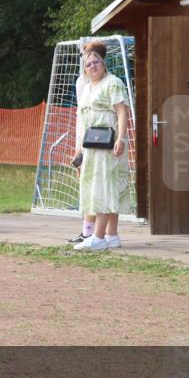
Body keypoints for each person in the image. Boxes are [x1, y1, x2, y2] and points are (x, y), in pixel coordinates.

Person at [71, 41, 130, 251]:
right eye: (88, 64)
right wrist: (79, 150)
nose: (93, 66)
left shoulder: (112, 83)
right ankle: (112, 235)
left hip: (109, 142)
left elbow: (122, 111)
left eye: (96, 62)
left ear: (103, 64)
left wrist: (121, 139)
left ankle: (98, 237)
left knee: (105, 188)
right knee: (101, 187)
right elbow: (82, 121)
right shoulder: (87, 88)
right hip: (91, 145)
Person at [69, 69, 97, 244]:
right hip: (85, 142)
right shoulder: (82, 83)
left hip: (96, 143)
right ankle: (89, 231)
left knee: (94, 190)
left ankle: (94, 233)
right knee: (87, 188)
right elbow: (81, 120)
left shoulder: (108, 85)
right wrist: (78, 147)